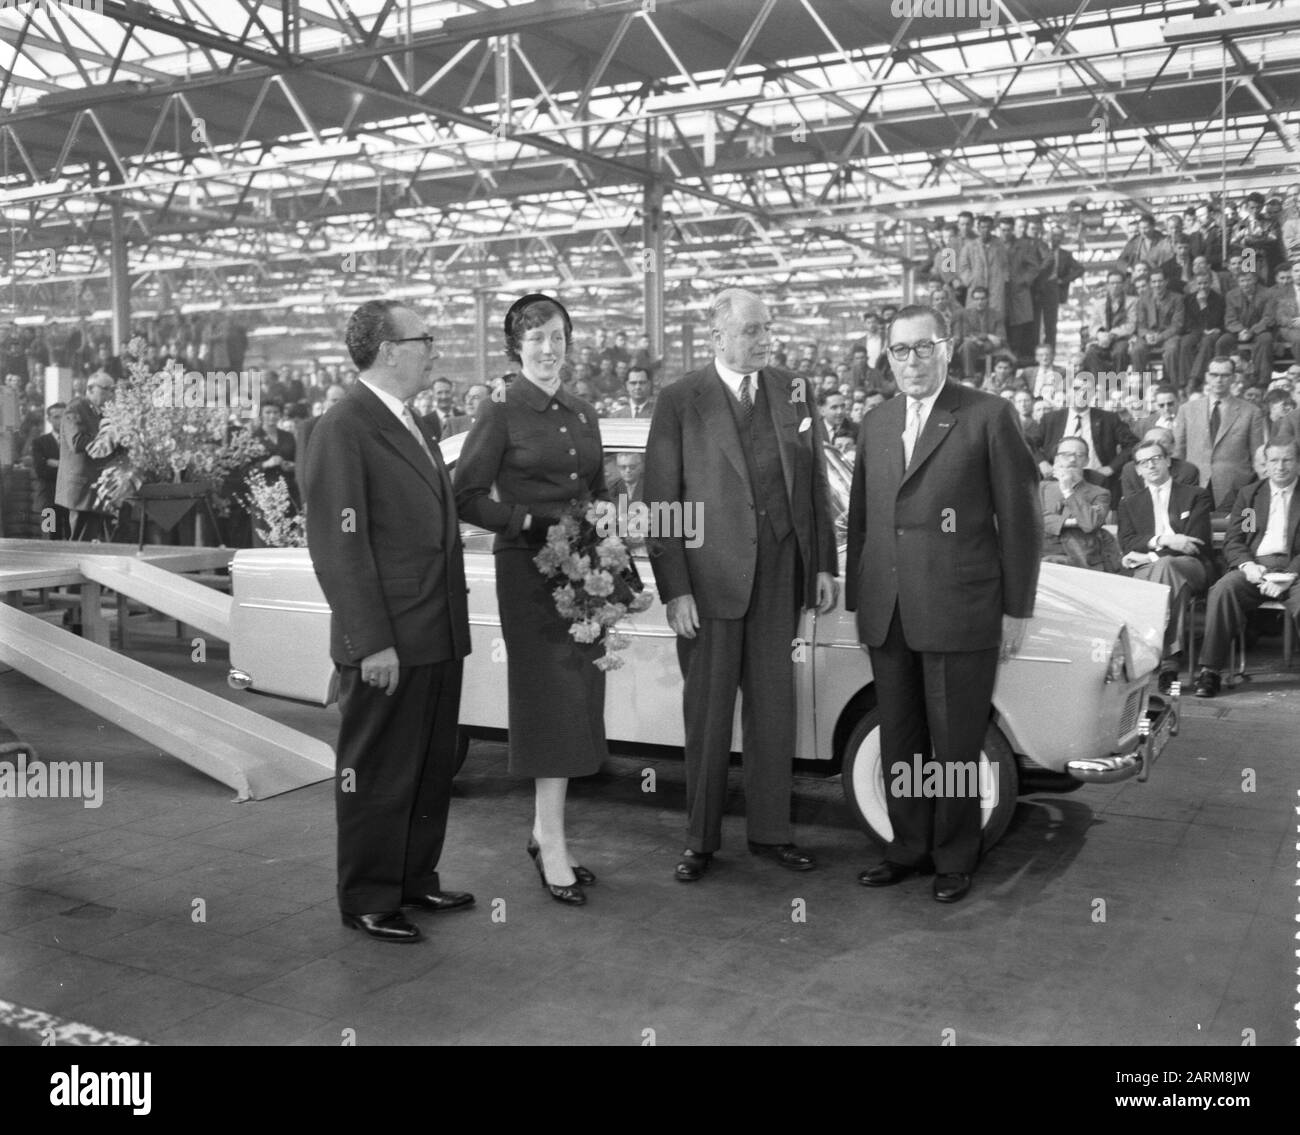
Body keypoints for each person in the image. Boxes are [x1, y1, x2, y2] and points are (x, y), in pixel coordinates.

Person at [643, 287, 838, 884]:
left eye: (767, 329)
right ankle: (700, 841)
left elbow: (814, 487)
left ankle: (771, 833)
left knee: (774, 711)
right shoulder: (680, 400)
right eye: (751, 330)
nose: (764, 339)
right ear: (718, 335)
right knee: (707, 715)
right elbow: (660, 502)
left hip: (781, 577)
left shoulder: (795, 391)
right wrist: (676, 590)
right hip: (708, 586)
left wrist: (824, 565)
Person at [846, 304, 1040, 904]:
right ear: (887, 358)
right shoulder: (876, 424)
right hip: (890, 611)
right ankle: (909, 846)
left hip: (961, 611)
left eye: (922, 347)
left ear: (947, 348)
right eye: (899, 351)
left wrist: (1016, 609)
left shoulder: (987, 415)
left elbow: (1022, 518)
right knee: (901, 738)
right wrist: (860, 598)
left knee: (955, 743)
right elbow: (862, 522)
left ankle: (956, 853)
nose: (911, 361)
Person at [302, 300, 473, 943]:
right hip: (389, 639)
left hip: (433, 631)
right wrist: (371, 641)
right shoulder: (345, 427)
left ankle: (413, 880)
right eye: (424, 338)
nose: (435, 349)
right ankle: (369, 896)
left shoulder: (411, 421)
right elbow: (338, 546)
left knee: (429, 766)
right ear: (387, 350)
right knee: (378, 771)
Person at [454, 294, 608, 906]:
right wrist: (523, 522)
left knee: (579, 701)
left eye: (558, 336)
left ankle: (547, 830)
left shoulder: (583, 410)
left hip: (581, 574)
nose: (549, 348)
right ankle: (551, 841)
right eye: (536, 337)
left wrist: (607, 528)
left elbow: (594, 487)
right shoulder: (501, 409)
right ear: (516, 346)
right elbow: (464, 494)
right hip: (527, 575)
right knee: (550, 704)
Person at [1192, 440, 1300, 698]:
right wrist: (1247, 564)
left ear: (1297, 462)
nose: (1280, 466)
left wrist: (1290, 574)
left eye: (1287, 460)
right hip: (1257, 568)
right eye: (1274, 460)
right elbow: (1239, 539)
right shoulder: (1252, 496)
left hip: (1295, 571)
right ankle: (1210, 671)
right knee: (1223, 589)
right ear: (1265, 464)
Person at [1118, 439, 1215, 691]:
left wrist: (1150, 555)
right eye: (1143, 462)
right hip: (1154, 571)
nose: (1150, 465)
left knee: (1168, 566)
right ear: (1137, 470)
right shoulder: (1128, 503)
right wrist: (1165, 539)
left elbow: (1198, 542)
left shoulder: (1196, 495)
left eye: (1156, 459)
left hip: (1191, 565)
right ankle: (1169, 662)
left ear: (1168, 461)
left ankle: (1159, 656)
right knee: (1172, 580)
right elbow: (1127, 541)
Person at [1173, 355, 1266, 511]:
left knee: (1242, 530)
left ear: (1234, 378)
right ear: (1207, 377)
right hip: (1194, 483)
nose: (1219, 380)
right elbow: (1178, 453)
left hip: (1236, 487)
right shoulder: (1187, 410)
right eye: (1214, 375)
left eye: (1224, 375)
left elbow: (1258, 456)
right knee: (1196, 531)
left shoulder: (1251, 412)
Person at [1036, 373, 1139, 504]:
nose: (1081, 393)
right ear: (1067, 392)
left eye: (1087, 390)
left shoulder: (1108, 419)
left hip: (1097, 480)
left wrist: (1111, 468)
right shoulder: (1051, 418)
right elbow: (1030, 443)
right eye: (1076, 389)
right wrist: (1042, 463)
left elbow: (1133, 444)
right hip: (1058, 480)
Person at [55, 374, 117, 541]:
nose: (111, 394)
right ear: (90, 389)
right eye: (106, 389)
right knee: (80, 539)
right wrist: (108, 437)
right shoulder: (76, 408)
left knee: (91, 538)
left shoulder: (101, 412)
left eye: (113, 390)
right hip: (82, 485)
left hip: (96, 486)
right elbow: (76, 441)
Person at [1040, 437, 1112, 569]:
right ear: (1056, 459)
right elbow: (1032, 519)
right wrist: (1071, 522)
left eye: (1079, 455)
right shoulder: (1042, 487)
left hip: (1081, 560)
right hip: (1041, 555)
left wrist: (1068, 491)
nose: (1072, 459)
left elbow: (1090, 523)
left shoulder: (1100, 493)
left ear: (1086, 461)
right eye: (1066, 455)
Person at [29, 402, 69, 540]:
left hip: (70, 500)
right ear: (49, 420)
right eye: (57, 417)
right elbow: (41, 471)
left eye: (65, 416)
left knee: (72, 539)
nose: (61, 421)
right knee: (48, 537)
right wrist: (68, 469)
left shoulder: (75, 442)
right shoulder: (39, 442)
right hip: (48, 500)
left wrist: (56, 463)